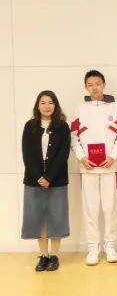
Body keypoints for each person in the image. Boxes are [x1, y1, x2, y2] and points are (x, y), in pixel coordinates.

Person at [69, 69, 117, 265]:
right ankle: (93, 248)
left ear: (104, 85)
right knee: (90, 209)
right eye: (90, 85)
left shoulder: (115, 107)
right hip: (88, 169)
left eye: (98, 84)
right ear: (86, 87)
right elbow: (74, 137)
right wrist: (82, 157)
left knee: (110, 208)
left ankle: (110, 246)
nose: (94, 88)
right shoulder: (80, 108)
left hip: (110, 167)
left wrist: (113, 156)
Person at [21, 90, 71, 271]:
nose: (47, 106)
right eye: (43, 102)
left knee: (56, 217)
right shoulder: (30, 126)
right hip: (34, 180)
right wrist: (38, 177)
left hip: (56, 181)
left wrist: (49, 177)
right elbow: (27, 153)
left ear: (55, 105)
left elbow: (63, 154)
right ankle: (43, 255)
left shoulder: (63, 126)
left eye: (50, 102)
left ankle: (54, 256)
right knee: (38, 219)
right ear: (38, 106)